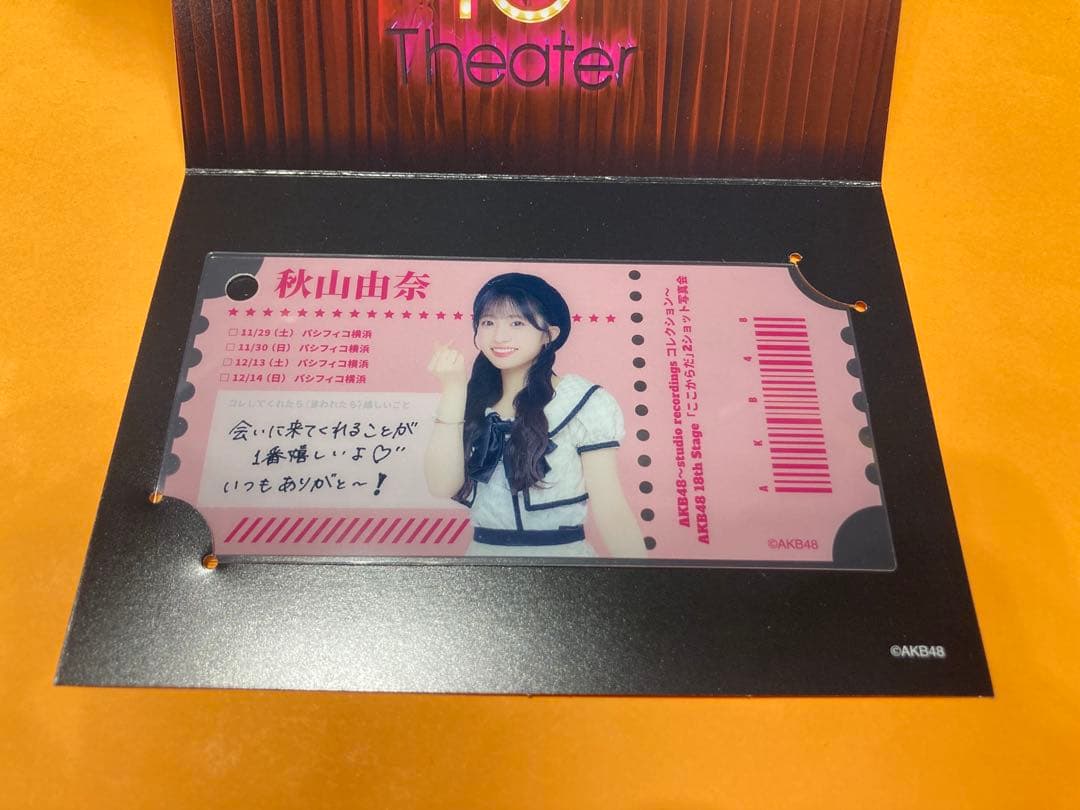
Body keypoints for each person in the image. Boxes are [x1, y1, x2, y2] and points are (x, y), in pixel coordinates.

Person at [424, 272, 643, 557]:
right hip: (484, 563)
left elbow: (611, 509)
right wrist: (453, 389)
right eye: (488, 323)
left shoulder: (583, 402)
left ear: (549, 334)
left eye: (517, 323)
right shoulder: (471, 401)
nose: (499, 336)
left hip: (564, 563)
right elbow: (441, 486)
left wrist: (640, 576)